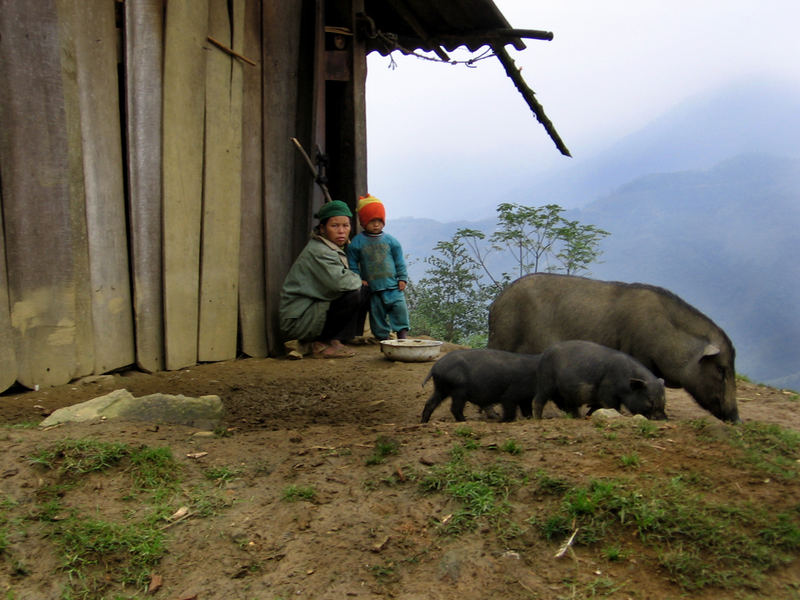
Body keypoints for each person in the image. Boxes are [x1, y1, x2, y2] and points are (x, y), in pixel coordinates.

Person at [279, 200, 368, 358]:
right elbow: (340, 283)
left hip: (311, 311)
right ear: (322, 228)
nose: (341, 231)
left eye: (345, 225)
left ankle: (336, 340)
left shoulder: (331, 247)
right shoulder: (320, 252)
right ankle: (325, 343)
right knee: (353, 293)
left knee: (361, 290)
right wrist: (358, 279)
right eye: (334, 226)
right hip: (298, 320)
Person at [346, 194, 410, 341]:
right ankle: (383, 339)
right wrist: (358, 279)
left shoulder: (391, 241)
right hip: (373, 289)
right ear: (363, 222)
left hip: (393, 286)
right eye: (371, 221)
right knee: (377, 315)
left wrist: (402, 278)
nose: (376, 224)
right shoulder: (357, 242)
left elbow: (399, 261)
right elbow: (352, 263)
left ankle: (402, 335)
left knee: (400, 310)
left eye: (379, 221)